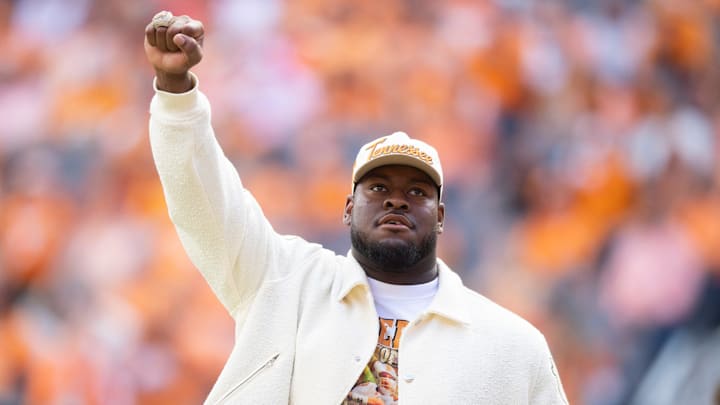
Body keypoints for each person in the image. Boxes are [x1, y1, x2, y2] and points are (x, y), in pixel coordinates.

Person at [144, 10, 568, 404]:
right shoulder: (288, 282)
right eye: (378, 186)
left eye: (418, 192)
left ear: (441, 218)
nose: (397, 198)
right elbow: (206, 202)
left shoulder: (513, 346)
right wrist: (176, 93)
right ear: (348, 208)